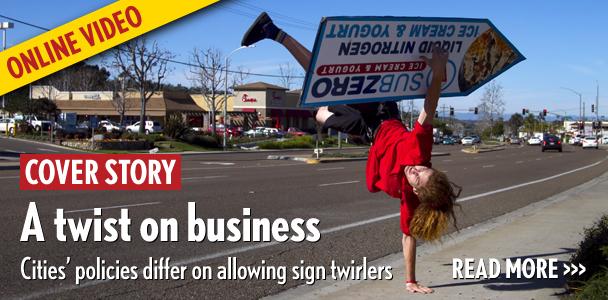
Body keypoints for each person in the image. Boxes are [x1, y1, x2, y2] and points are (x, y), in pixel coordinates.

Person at [242, 12, 461, 294]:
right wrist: (439, 72)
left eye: (417, 175)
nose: (416, 168)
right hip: (380, 110)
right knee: (325, 79)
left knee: (320, 114)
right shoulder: (419, 150)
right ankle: (273, 31)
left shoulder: (409, 198)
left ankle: (281, 43)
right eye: (423, 168)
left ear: (416, 193)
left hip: (365, 130)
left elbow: (408, 236)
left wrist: (410, 280)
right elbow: (430, 106)